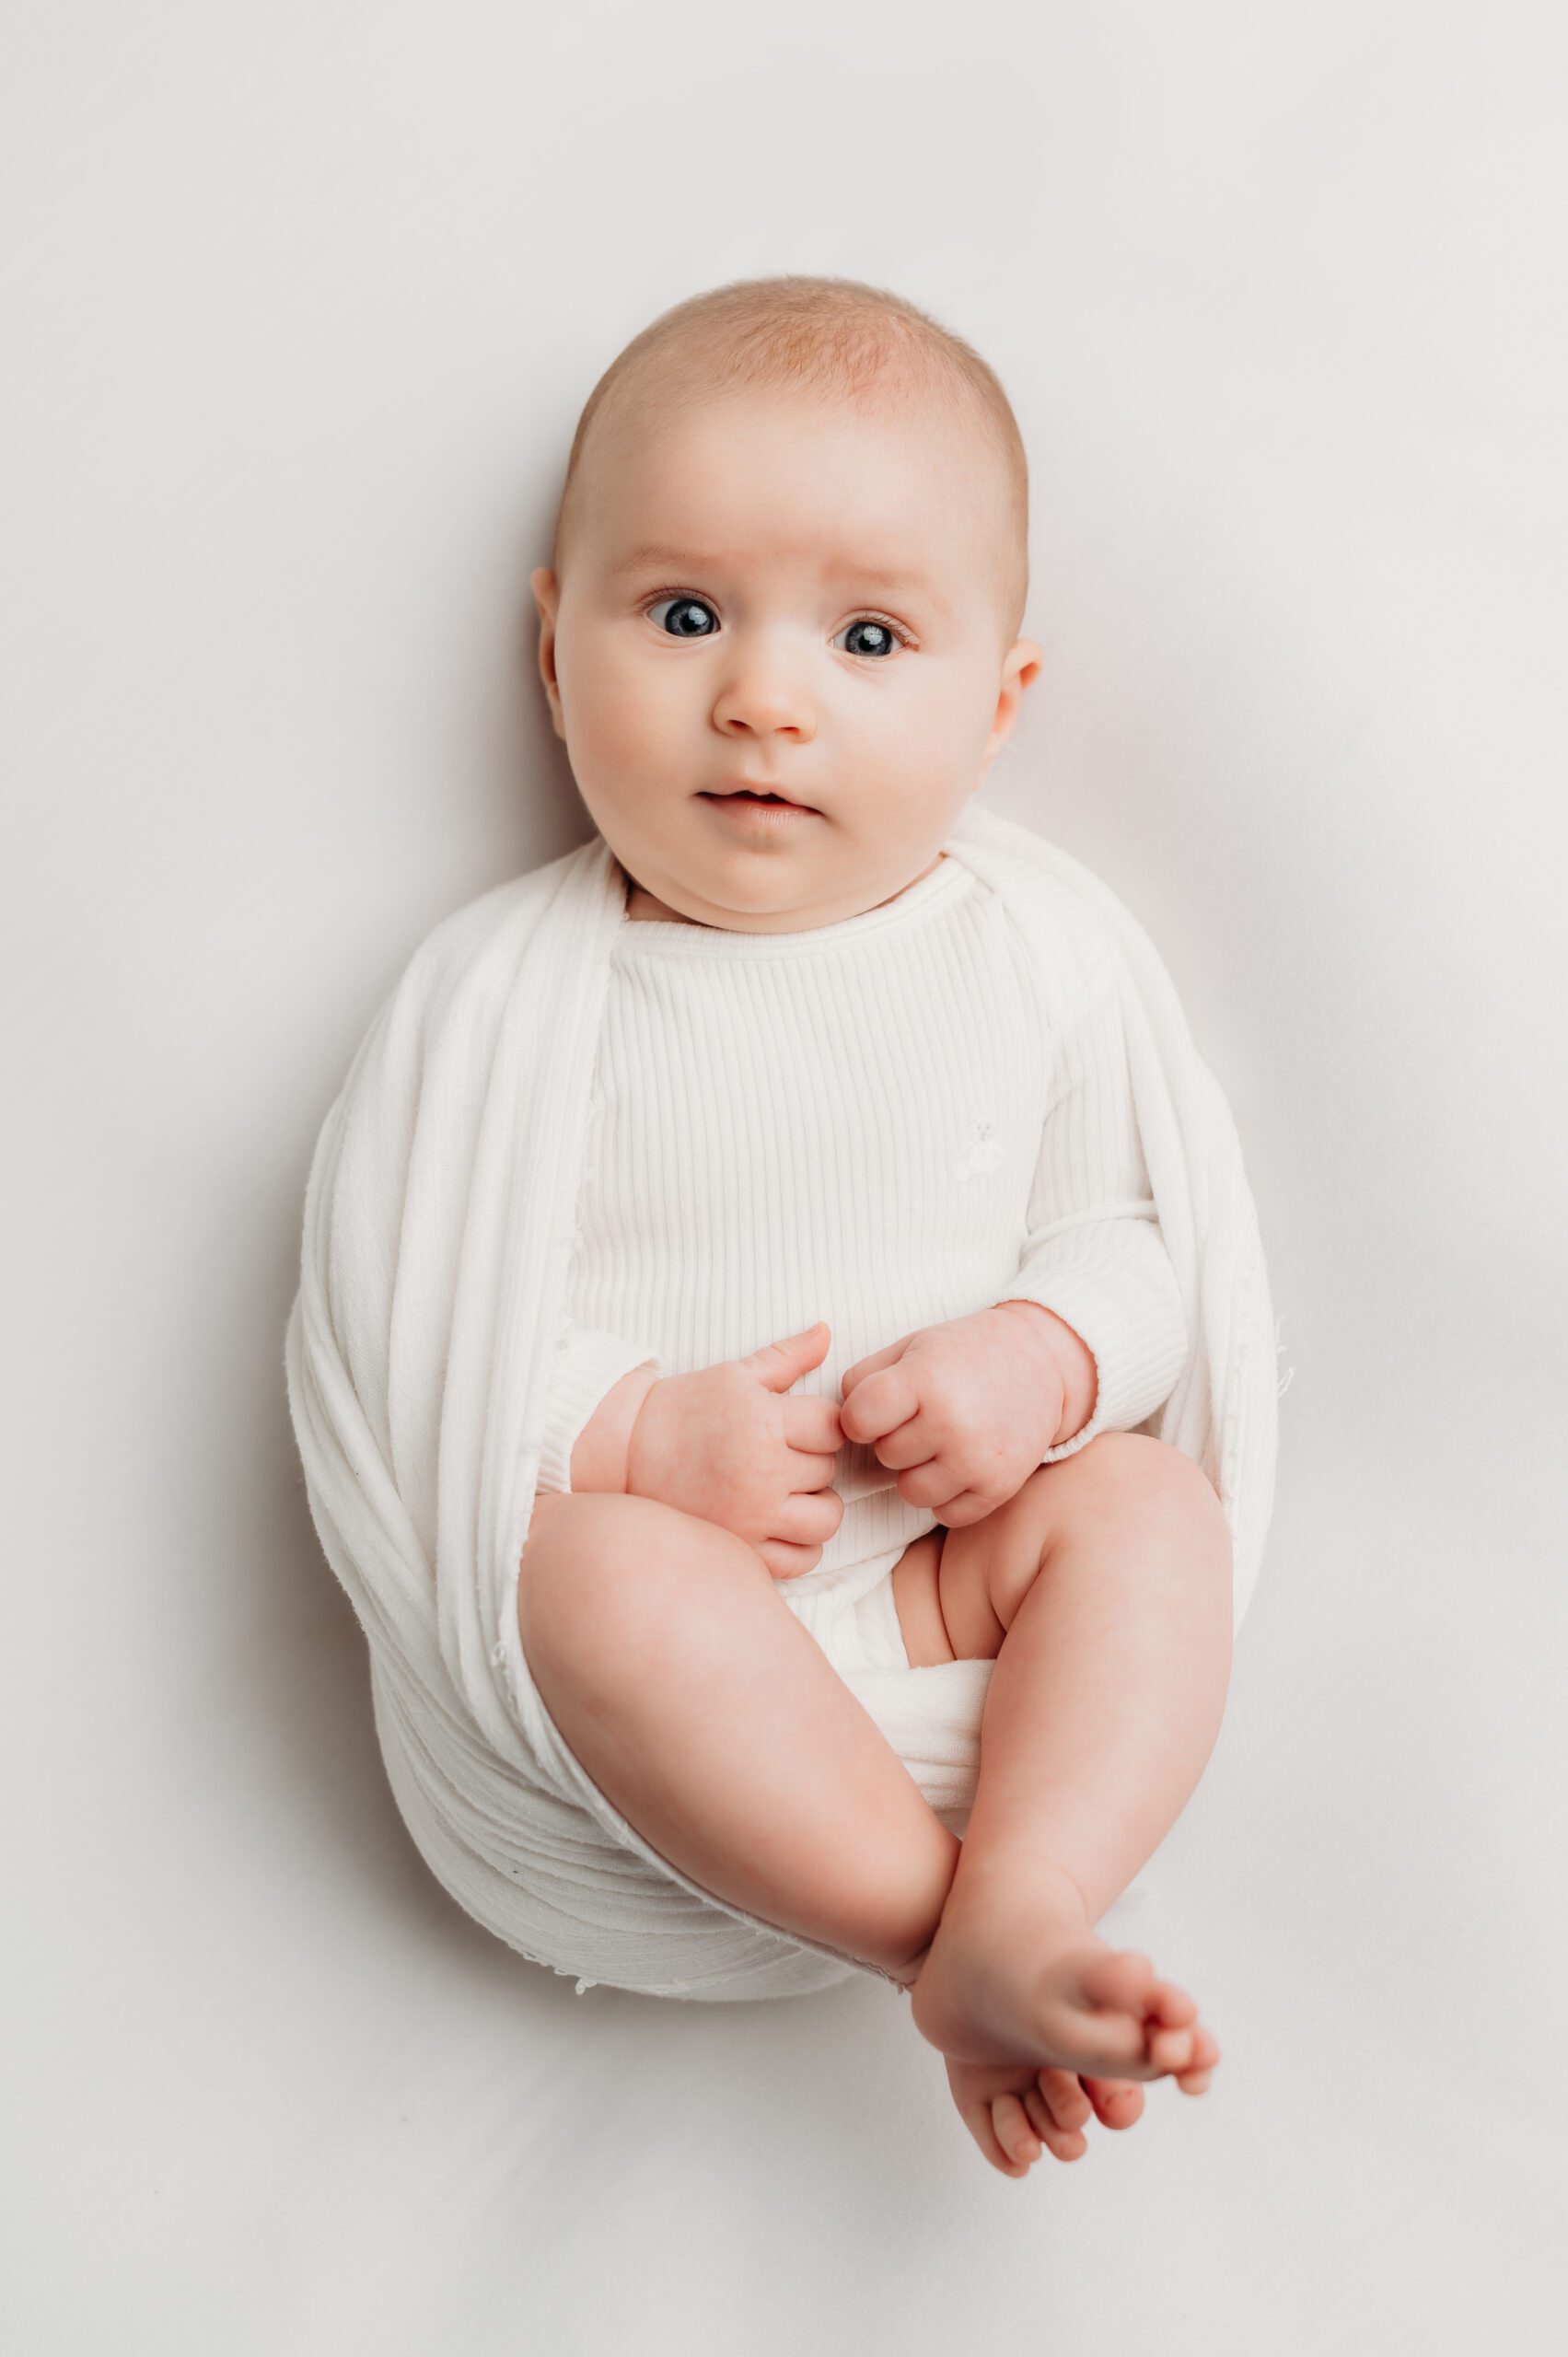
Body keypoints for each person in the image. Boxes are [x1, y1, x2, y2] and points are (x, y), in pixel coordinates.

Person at [514, 274, 1235, 2177]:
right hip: (684, 1617)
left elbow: (1137, 1252)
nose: (765, 695)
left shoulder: (1035, 961)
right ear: (552, 652)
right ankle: (952, 1940)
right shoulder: (519, 1006)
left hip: (938, 1580)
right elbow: (419, 1335)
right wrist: (631, 1435)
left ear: (997, 706)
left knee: (1149, 1510)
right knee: (576, 1573)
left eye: (867, 636)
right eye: (686, 614)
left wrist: (1037, 1362)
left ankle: (1033, 1885)